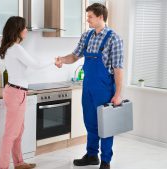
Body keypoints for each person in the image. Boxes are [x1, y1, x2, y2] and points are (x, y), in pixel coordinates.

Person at [55, 3, 124, 169]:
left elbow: (118, 69)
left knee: (105, 124)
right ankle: (92, 155)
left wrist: (118, 94)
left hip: (105, 88)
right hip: (88, 87)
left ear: (101, 17)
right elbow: (75, 55)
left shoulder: (114, 38)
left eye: (90, 17)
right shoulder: (87, 36)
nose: (88, 20)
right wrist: (62, 60)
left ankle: (106, 161)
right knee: (90, 122)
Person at [0, 16, 53, 169]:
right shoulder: (15, 48)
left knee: (18, 131)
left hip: (16, 92)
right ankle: (3, 167)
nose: (26, 30)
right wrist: (54, 60)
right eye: (24, 27)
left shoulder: (11, 47)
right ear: (17, 30)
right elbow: (35, 64)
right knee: (10, 134)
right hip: (16, 93)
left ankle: (19, 163)